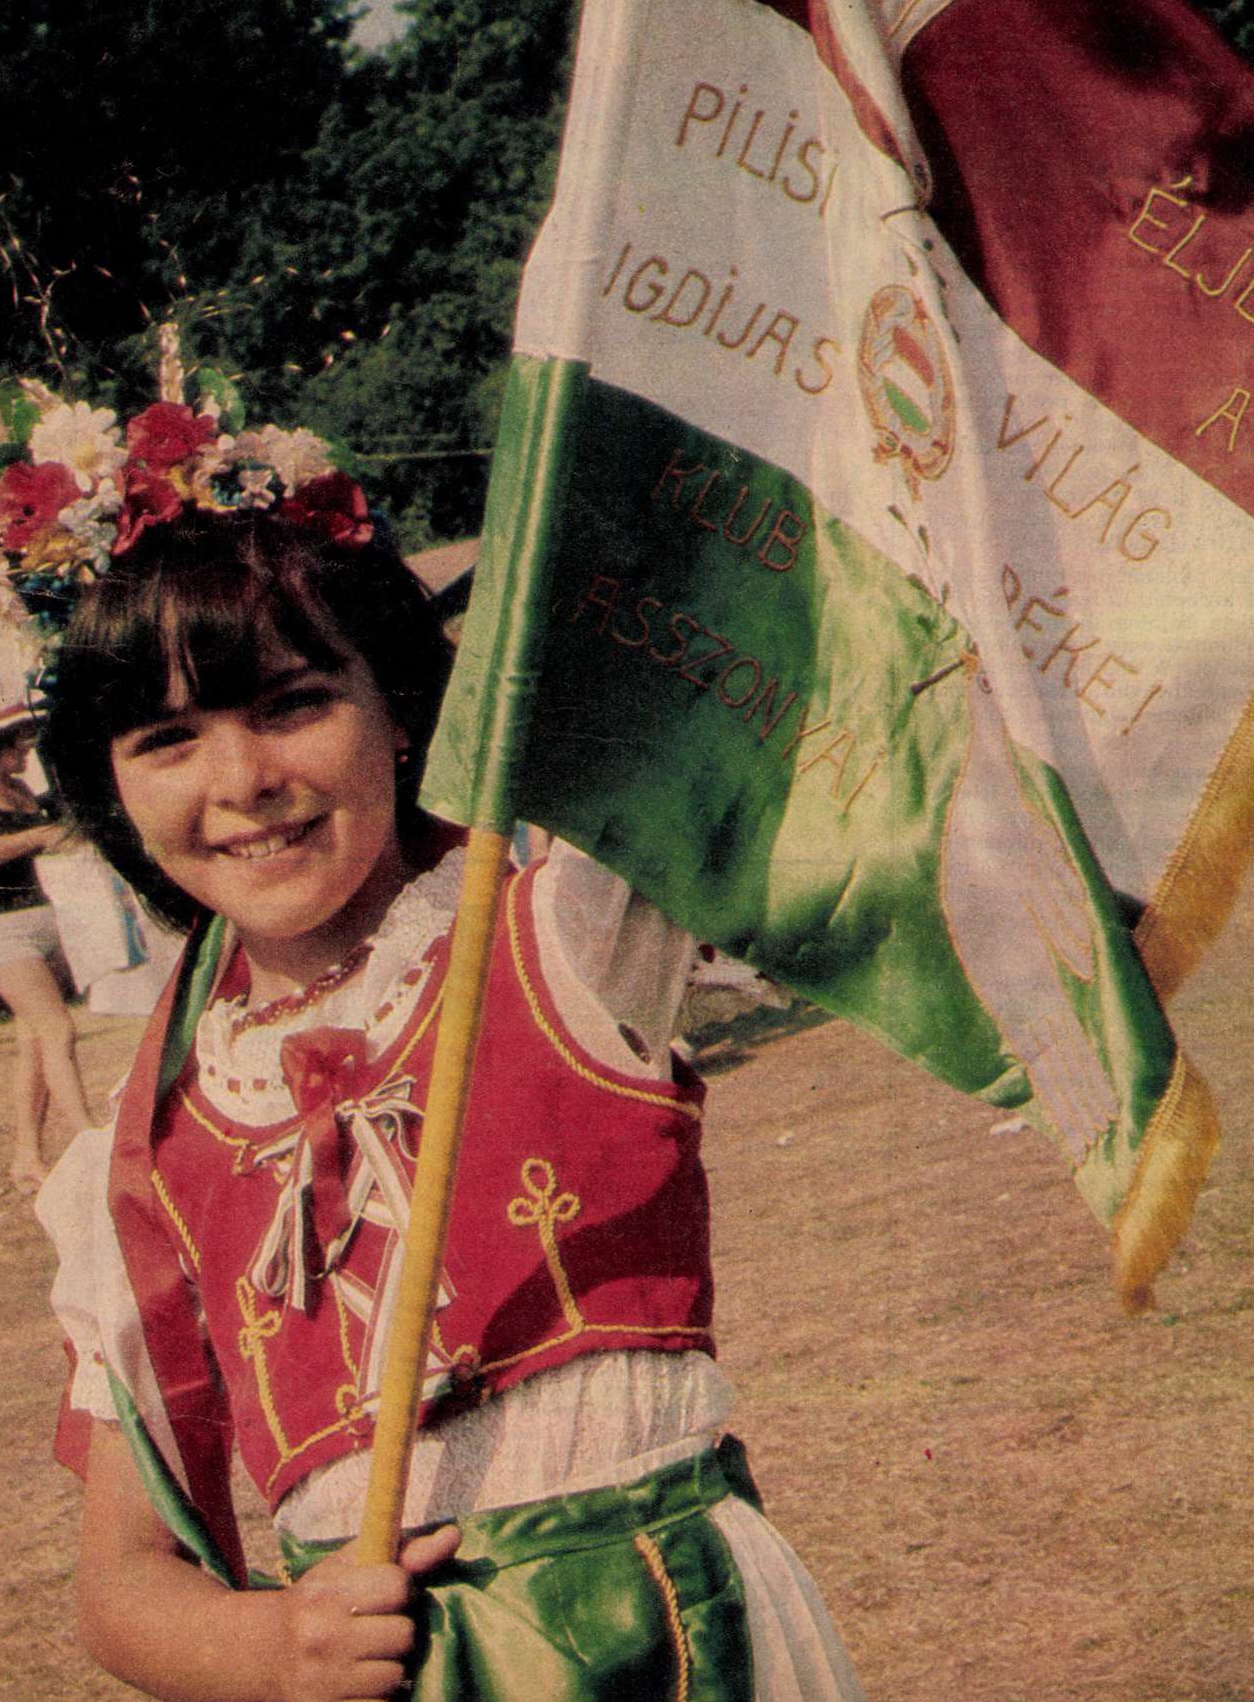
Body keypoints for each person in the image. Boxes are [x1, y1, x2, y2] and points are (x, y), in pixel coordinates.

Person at [22, 397, 863, 1701]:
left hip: (672, 1641)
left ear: (398, 709)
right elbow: (122, 1579)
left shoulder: (560, 929)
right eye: (168, 738)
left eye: (296, 703)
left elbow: (724, 639)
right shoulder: (144, 1147)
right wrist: (269, 1645)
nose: (240, 777)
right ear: (113, 785)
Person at [0, 704, 89, 1191]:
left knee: (33, 1044)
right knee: (58, 1029)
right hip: (4, 930)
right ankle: (88, 1139)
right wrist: (37, 835)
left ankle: (27, 1158)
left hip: (41, 918)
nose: (25, 749)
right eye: (17, 742)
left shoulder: (20, 791)